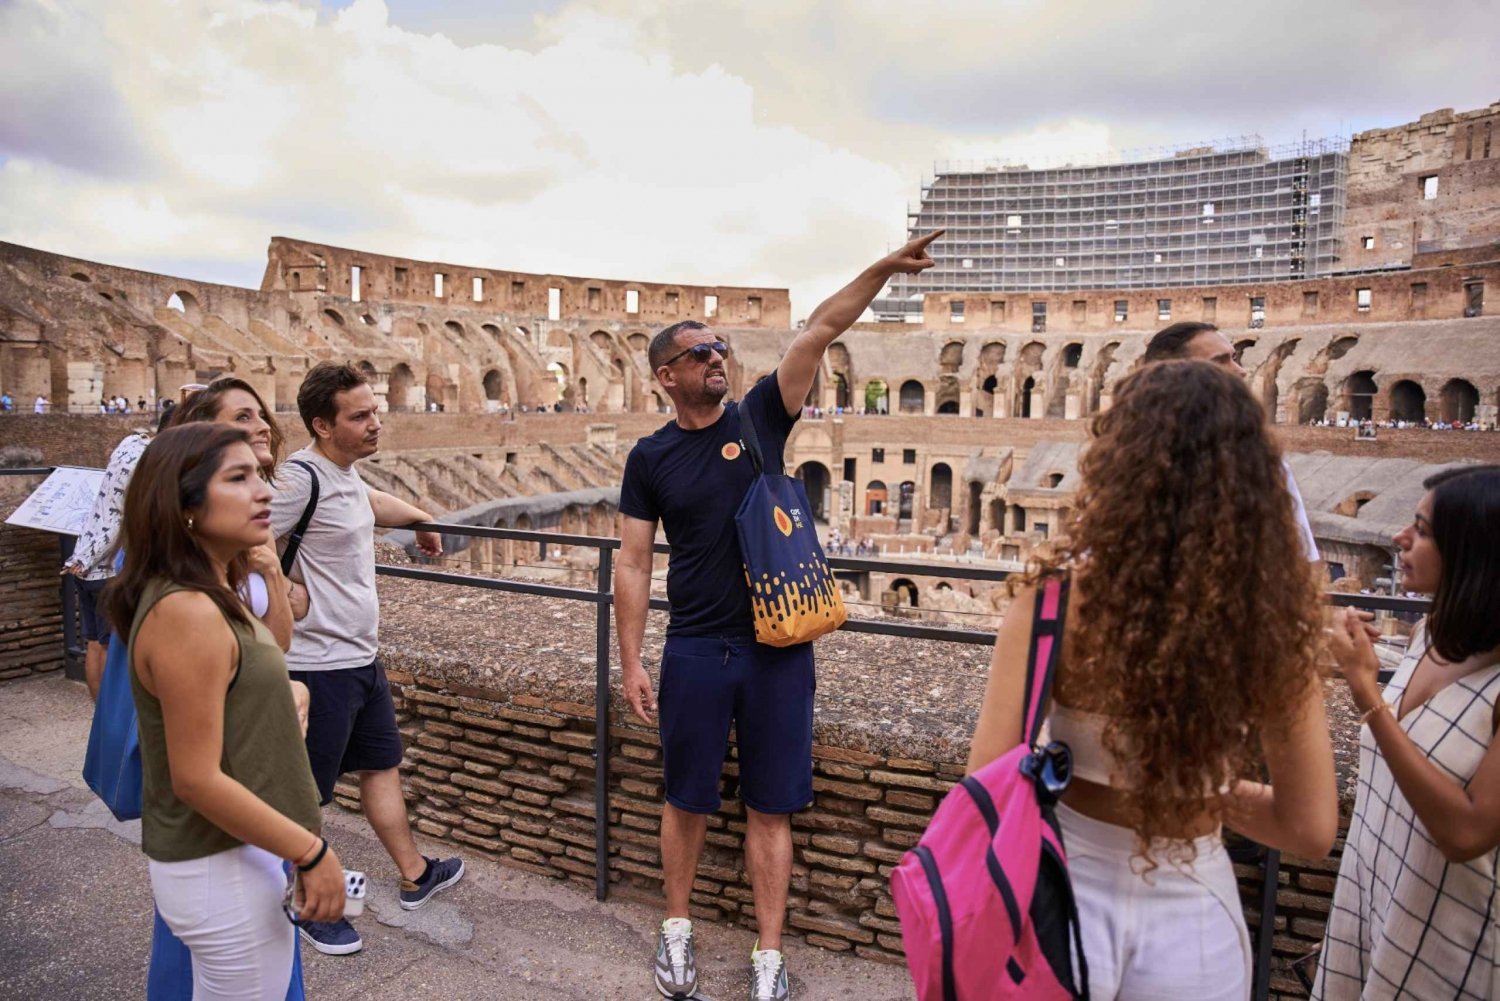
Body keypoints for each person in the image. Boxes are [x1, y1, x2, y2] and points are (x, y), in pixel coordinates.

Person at [615, 231, 941, 1001]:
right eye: (698, 353)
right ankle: (677, 928)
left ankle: (768, 953)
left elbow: (819, 330)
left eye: (720, 347)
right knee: (685, 796)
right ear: (667, 375)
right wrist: (630, 660)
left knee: (772, 803)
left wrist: (881, 271)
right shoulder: (650, 457)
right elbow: (631, 562)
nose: (716, 358)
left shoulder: (759, 417)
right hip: (695, 644)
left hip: (779, 642)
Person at [967, 361, 1338, 1001]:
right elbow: (1308, 829)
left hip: (1062, 897)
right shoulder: (1271, 618)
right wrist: (1197, 784)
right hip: (1194, 913)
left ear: (1119, 461)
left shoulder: (1055, 600)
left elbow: (986, 779)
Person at [107, 422, 341, 1000]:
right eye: (238, 479)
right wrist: (311, 852)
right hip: (221, 867)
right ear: (182, 506)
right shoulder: (188, 610)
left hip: (235, 857)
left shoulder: (209, 590)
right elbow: (195, 777)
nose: (264, 490)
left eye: (260, 476)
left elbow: (236, 679)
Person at [269, 362, 461, 957]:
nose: (376, 423)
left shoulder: (342, 474)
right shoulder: (298, 480)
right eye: (361, 416)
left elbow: (369, 501)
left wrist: (421, 519)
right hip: (316, 664)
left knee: (382, 767)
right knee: (305, 795)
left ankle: (414, 872)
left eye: (376, 410)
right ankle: (311, 901)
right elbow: (237, 540)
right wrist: (280, 591)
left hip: (359, 658)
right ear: (322, 425)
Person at [1312, 465, 1500, 999]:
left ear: (1473, 553)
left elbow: (1467, 834)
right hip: (1374, 898)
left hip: (1451, 935)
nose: (1398, 537)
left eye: (1420, 530)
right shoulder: (1429, 634)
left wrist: (1366, 692)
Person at [1142, 321, 1320, 562]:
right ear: (1173, 375)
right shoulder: (1125, 466)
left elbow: (1300, 558)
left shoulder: (1265, 467)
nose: (1240, 370)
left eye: (1234, 357)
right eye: (1219, 361)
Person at [65, 423, 154, 699]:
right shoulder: (148, 462)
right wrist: (86, 559)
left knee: (93, 643)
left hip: (85, 565)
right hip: (103, 570)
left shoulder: (128, 445)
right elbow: (117, 524)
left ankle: (95, 712)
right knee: (108, 646)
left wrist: (80, 558)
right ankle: (106, 711)